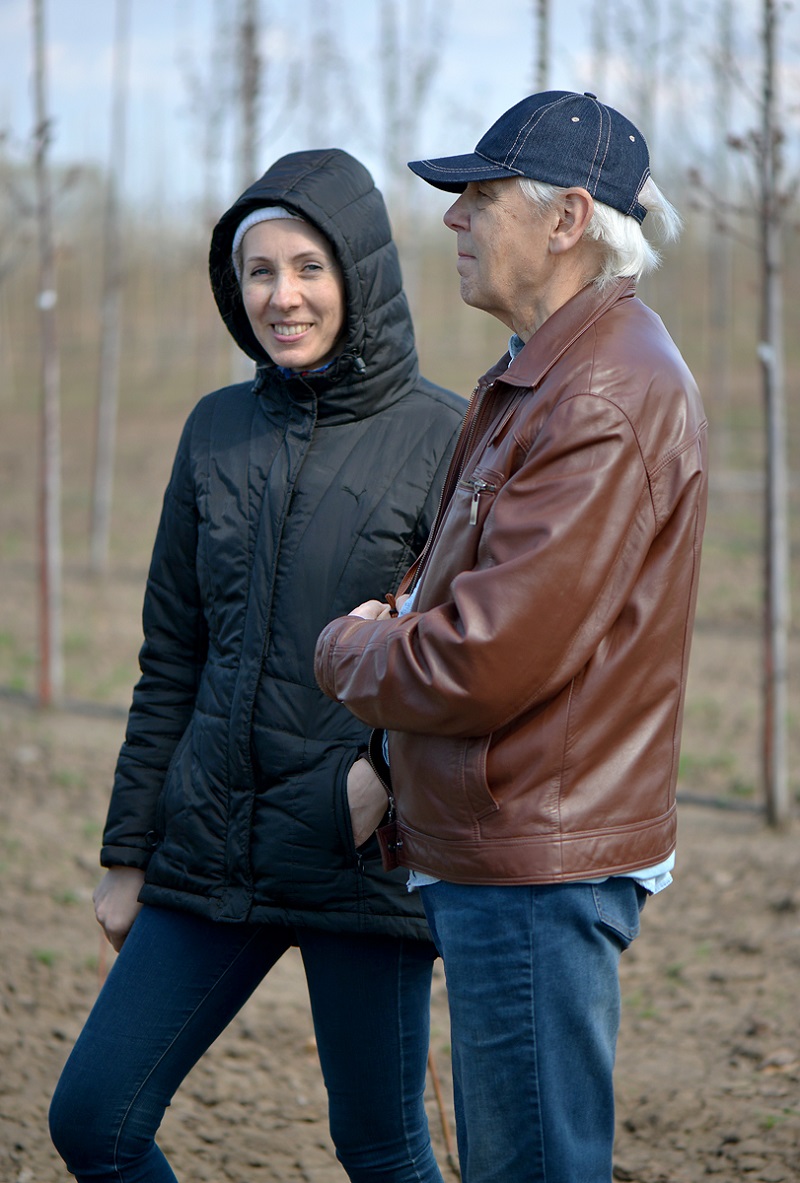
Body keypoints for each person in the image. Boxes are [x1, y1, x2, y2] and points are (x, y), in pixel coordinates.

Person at [314, 92, 708, 1183]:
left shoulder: (602, 391)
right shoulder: (549, 368)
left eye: (478, 196)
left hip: (538, 864)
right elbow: (454, 576)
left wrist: (346, 654)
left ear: (566, 217)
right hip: (513, 846)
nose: (453, 220)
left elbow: (478, 656)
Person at [49, 147, 464, 1183]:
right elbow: (170, 657)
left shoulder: (446, 438)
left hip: (353, 854)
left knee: (381, 1147)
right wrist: (126, 850)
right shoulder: (214, 430)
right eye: (258, 272)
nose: (282, 296)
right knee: (93, 1119)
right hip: (208, 848)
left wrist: (376, 777)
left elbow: (462, 656)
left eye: (307, 267)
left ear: (359, 270)